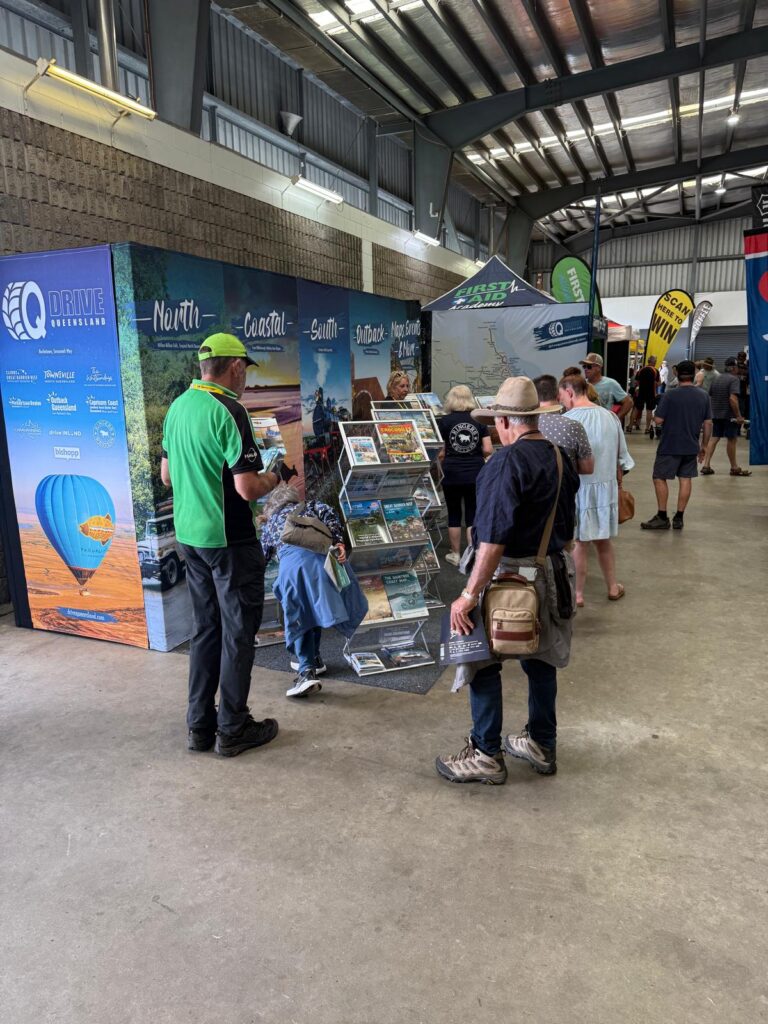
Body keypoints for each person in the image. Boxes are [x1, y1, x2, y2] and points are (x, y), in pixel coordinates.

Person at [434, 376, 579, 785]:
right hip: (552, 574)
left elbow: (493, 539)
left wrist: (467, 595)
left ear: (503, 421)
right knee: (541, 659)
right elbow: (570, 525)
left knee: (480, 659)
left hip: (507, 579)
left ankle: (485, 753)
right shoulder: (560, 456)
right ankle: (542, 743)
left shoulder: (504, 462)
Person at [161, 332, 281, 758]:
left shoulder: (177, 408)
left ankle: (199, 727)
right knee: (237, 634)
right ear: (233, 367)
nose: (245, 377)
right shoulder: (230, 411)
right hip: (229, 541)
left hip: (190, 539)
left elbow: (167, 477)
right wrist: (278, 476)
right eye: (245, 369)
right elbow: (248, 488)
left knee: (206, 629)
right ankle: (232, 728)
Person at [260, 484, 368, 697]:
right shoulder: (312, 506)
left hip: (296, 568)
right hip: (326, 562)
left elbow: (261, 558)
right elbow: (331, 516)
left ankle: (306, 672)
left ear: (272, 505)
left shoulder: (272, 523)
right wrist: (339, 543)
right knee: (315, 608)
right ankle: (315, 658)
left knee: (300, 613)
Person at [559, 374, 634, 606]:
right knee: (603, 540)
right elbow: (624, 458)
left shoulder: (566, 420)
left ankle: (578, 594)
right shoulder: (611, 417)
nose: (561, 401)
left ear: (570, 393)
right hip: (606, 489)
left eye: (561, 396)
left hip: (578, 490)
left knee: (581, 542)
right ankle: (612, 587)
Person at [640, 360, 713, 531]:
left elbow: (658, 420)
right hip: (691, 445)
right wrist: (704, 446)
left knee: (659, 477)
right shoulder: (703, 396)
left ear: (676, 374)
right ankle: (679, 517)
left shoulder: (670, 395)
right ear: (693, 375)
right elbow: (708, 423)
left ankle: (662, 516)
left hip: (669, 445)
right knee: (685, 479)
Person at [438, 385, 493, 566]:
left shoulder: (444, 422)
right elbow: (488, 449)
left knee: (453, 513)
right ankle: (472, 554)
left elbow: (440, 453)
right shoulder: (479, 421)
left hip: (451, 472)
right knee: (472, 513)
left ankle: (455, 554)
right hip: (475, 473)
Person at [700, 357, 751, 477]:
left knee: (714, 438)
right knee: (732, 440)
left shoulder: (717, 378)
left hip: (716, 414)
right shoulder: (734, 380)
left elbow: (711, 394)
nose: (738, 368)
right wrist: (738, 416)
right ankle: (734, 467)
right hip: (729, 416)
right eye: (737, 366)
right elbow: (732, 399)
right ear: (733, 368)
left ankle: (706, 466)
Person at [533, 375, 594, 474]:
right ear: (558, 395)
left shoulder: (525, 425)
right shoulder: (573, 426)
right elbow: (587, 468)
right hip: (564, 487)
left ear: (535, 397)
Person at [580, 352, 634, 421]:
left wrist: (616, 419)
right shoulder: (582, 383)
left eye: (589, 366)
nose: (586, 369)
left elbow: (629, 402)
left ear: (598, 368)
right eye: (584, 366)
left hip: (603, 424)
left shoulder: (610, 383)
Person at [631, 355, 660, 434]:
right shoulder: (655, 371)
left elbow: (636, 382)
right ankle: (647, 428)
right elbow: (658, 383)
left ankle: (630, 426)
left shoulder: (641, 370)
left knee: (636, 409)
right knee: (649, 411)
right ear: (654, 362)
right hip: (651, 393)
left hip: (641, 392)